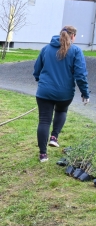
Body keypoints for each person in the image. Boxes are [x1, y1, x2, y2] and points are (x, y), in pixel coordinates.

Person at [33, 25, 90, 162]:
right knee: (61, 111)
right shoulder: (76, 51)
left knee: (44, 121)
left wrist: (40, 81)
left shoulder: (46, 49)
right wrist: (85, 93)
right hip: (64, 94)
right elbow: (80, 75)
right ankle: (54, 137)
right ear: (73, 36)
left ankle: (43, 155)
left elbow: (36, 70)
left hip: (44, 92)